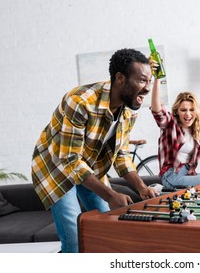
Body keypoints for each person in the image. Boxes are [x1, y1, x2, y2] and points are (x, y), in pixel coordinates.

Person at [31, 49, 159, 253]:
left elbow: (122, 156)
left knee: (104, 231)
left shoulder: (129, 111)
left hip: (88, 169)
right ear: (120, 78)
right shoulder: (80, 101)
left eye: (149, 81)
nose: (147, 88)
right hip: (56, 168)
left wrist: (142, 187)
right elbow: (71, 161)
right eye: (142, 81)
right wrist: (110, 195)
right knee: (75, 238)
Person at [150, 61, 200, 188]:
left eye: (191, 110)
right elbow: (157, 109)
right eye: (183, 110)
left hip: (189, 173)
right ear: (177, 112)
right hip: (171, 175)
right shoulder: (170, 125)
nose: (188, 114)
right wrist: (156, 78)